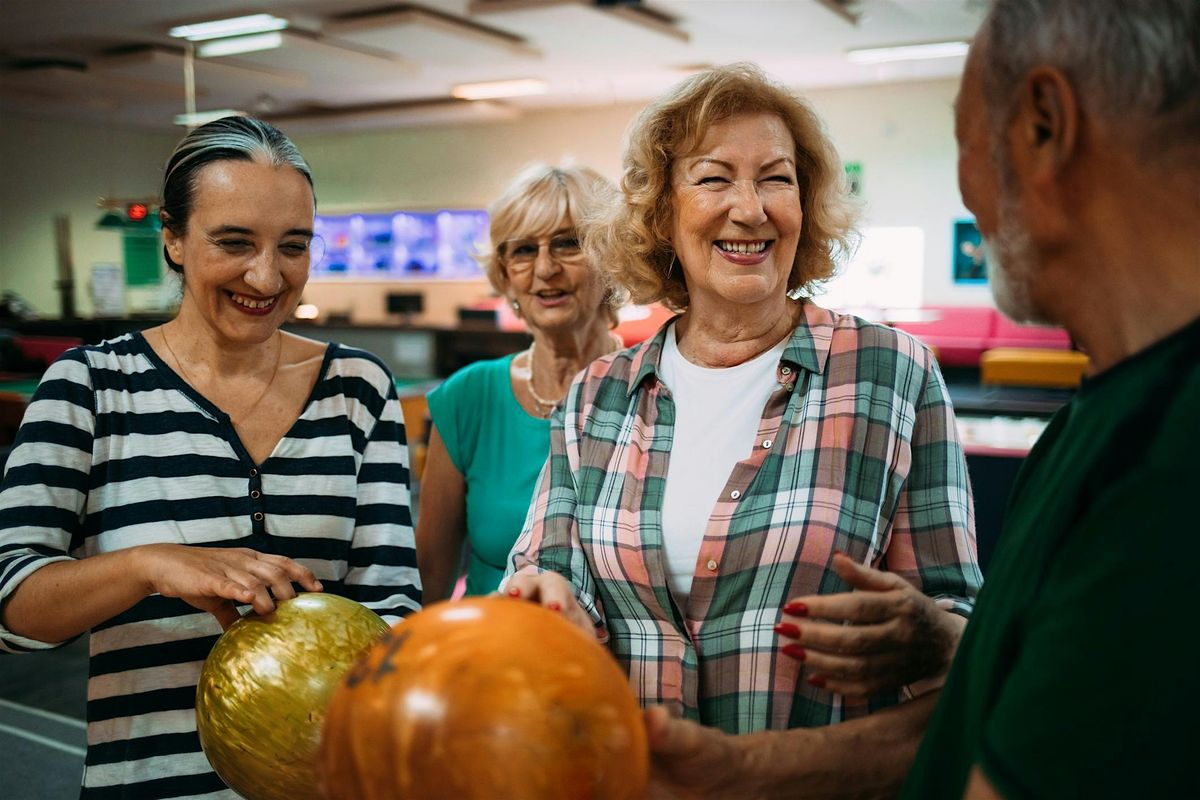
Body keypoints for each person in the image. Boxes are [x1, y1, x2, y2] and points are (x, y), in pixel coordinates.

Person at [504, 62, 981, 788]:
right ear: (662, 213)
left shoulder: (891, 373)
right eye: (714, 178)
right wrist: (546, 602)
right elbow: (545, 569)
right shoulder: (599, 396)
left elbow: (957, 624)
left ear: (806, 201)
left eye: (777, 178)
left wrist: (933, 632)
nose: (750, 208)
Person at [0, 116, 421, 799]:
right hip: (148, 783)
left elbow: (392, 605)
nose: (267, 275)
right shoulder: (90, 387)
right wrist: (149, 566)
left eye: (294, 246)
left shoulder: (358, 387)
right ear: (171, 237)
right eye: (234, 242)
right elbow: (11, 607)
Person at [902, 1, 1200, 797]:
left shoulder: (1172, 463)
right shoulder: (1098, 420)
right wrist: (961, 642)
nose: (969, 196)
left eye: (963, 142)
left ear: (1043, 125)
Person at [415, 164, 624, 601]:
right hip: (489, 650)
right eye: (524, 250)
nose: (545, 269)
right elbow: (431, 573)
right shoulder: (468, 397)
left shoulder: (653, 387)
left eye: (568, 244)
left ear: (611, 256)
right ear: (505, 275)